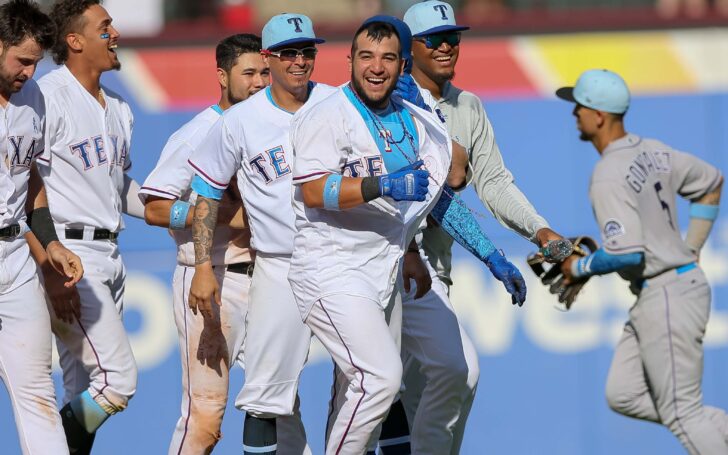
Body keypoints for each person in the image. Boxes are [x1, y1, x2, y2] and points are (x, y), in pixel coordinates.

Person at [288, 15, 525, 453]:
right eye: (366, 57)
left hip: (390, 268)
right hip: (334, 268)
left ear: (402, 66)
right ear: (349, 60)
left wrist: (492, 255)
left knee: (451, 369)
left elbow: (438, 197)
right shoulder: (328, 114)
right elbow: (313, 189)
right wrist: (382, 184)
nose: (375, 67)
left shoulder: (416, 121)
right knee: (379, 378)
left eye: (387, 58)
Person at [375, 3, 566, 453]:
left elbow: (492, 182)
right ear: (408, 49)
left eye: (453, 38)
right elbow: (447, 180)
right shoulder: (386, 102)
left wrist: (539, 231)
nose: (446, 46)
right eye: (433, 39)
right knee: (376, 397)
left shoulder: (468, 106)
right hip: (375, 267)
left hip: (429, 276)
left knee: (444, 386)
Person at [557, 69, 726, 455]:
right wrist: (693, 247)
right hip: (673, 287)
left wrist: (579, 268)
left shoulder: (607, 175)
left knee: (683, 415)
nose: (574, 115)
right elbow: (712, 182)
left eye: (579, 107)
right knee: (625, 393)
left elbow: (626, 252)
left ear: (599, 115)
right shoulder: (656, 150)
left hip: (666, 292)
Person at [187, 13, 334, 455]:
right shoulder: (239, 121)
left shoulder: (340, 102)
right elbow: (207, 195)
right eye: (288, 52)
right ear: (269, 59)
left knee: (375, 383)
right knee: (265, 394)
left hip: (342, 259)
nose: (299, 61)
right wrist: (201, 266)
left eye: (306, 51)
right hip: (279, 264)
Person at [140, 33, 270, 454]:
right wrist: (213, 216)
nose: (259, 82)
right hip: (213, 280)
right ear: (221, 75)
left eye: (264, 72)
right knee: (205, 415)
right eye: (248, 73)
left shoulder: (275, 127)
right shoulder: (200, 131)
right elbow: (156, 208)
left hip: (268, 279)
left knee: (279, 405)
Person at [36, 1, 146, 453]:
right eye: (105, 27)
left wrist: (181, 212)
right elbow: (24, 188)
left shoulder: (119, 107)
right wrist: (47, 264)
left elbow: (119, 188)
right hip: (69, 257)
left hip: (111, 254)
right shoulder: (47, 97)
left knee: (82, 389)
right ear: (74, 40)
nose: (115, 33)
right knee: (118, 382)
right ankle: (45, 446)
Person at [0, 1, 84, 453]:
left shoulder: (32, 98)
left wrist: (49, 243)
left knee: (37, 393)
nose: (30, 72)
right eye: (23, 60)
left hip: (14, 259)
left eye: (36, 62)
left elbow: (29, 175)